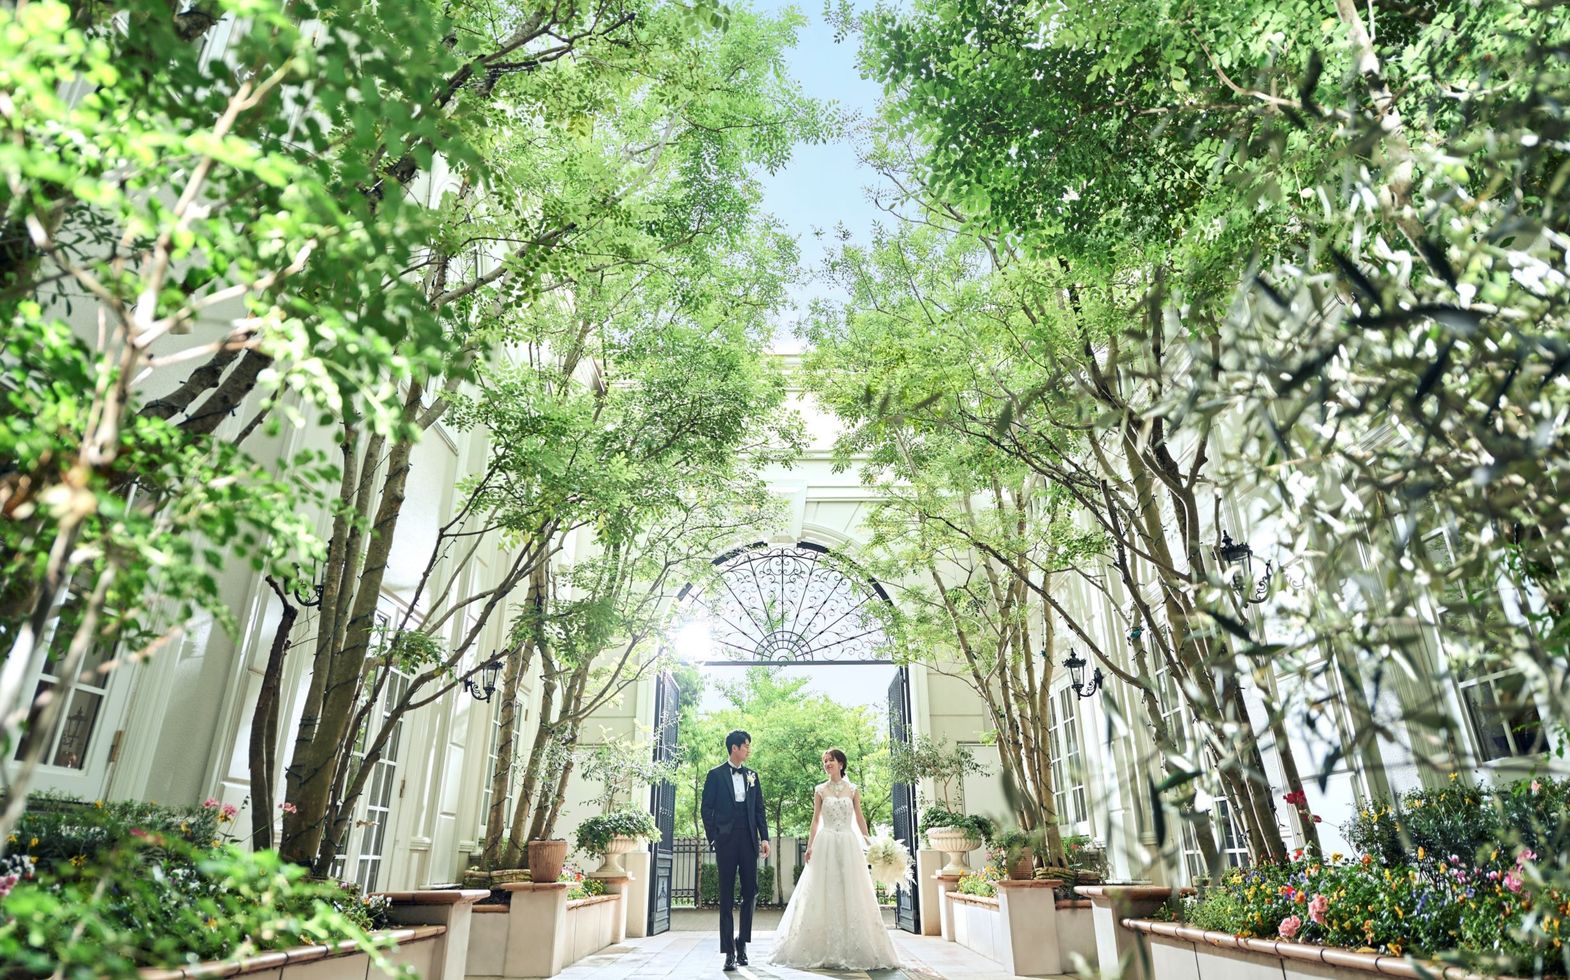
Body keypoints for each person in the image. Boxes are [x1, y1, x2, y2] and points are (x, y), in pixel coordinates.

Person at [768, 747, 900, 970]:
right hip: (826, 843)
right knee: (824, 890)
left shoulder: (853, 789)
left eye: (830, 760)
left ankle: (855, 948)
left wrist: (870, 843)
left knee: (851, 890)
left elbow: (860, 818)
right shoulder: (820, 790)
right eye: (825, 761)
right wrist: (810, 846)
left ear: (841, 763)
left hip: (848, 844)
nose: (827, 764)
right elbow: (815, 821)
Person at [700, 729, 770, 971]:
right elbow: (706, 808)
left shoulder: (752, 776)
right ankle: (729, 951)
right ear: (734, 748)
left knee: (751, 891)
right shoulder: (715, 775)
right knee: (726, 895)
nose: (748, 750)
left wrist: (765, 838)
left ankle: (742, 943)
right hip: (726, 842)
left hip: (749, 840)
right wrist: (714, 838)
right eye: (746, 746)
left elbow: (759, 809)